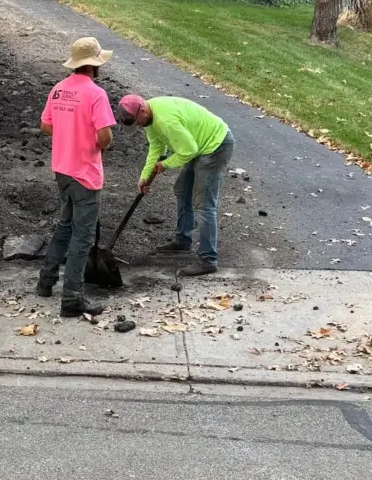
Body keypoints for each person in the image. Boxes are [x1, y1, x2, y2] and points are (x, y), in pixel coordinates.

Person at [37, 37, 116, 317]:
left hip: (62, 169)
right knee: (82, 238)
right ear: (95, 64)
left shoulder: (59, 89)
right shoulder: (96, 94)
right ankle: (71, 298)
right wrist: (95, 140)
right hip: (85, 173)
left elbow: (46, 125)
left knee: (65, 226)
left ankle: (46, 282)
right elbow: (105, 137)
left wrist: (69, 132)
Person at [117, 94, 234, 276]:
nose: (138, 125)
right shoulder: (150, 119)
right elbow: (156, 149)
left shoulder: (166, 120)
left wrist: (165, 164)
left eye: (136, 121)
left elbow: (188, 150)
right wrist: (144, 177)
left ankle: (208, 259)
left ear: (143, 110)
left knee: (203, 204)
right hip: (196, 146)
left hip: (215, 146)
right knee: (182, 190)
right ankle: (182, 241)